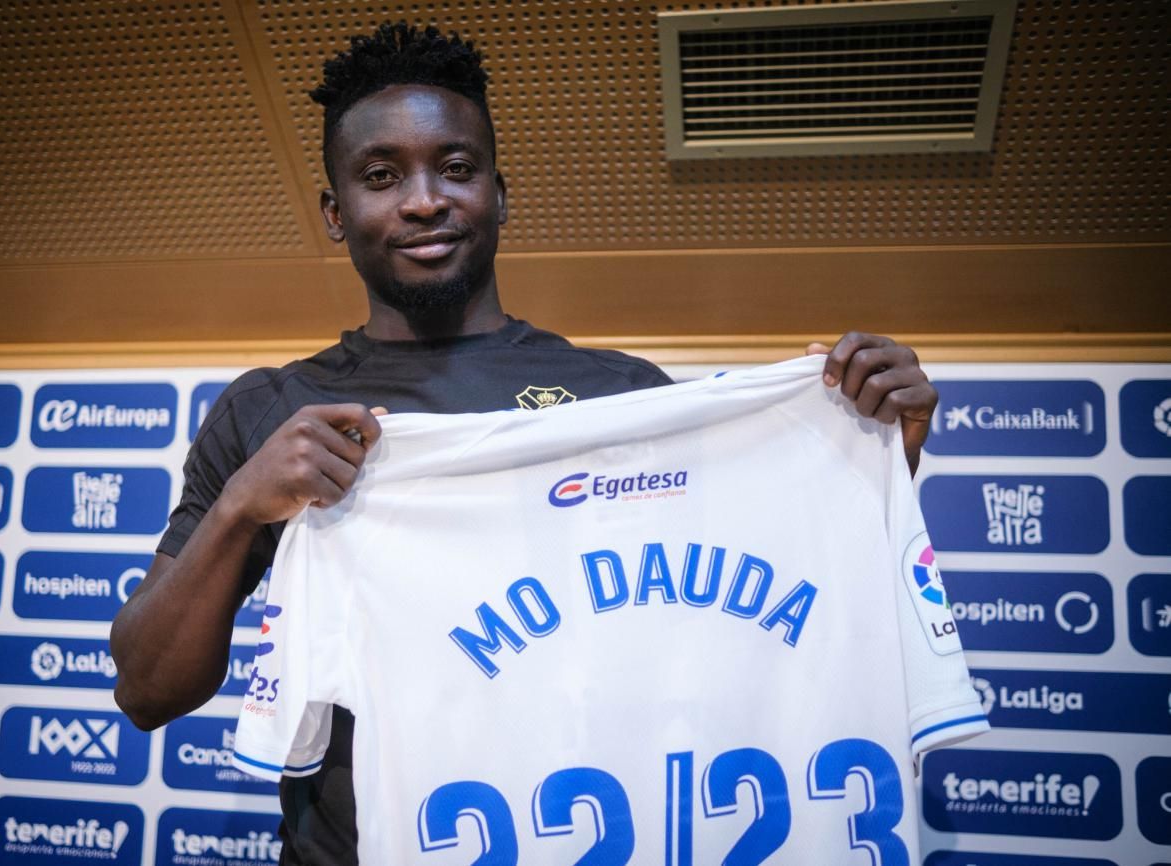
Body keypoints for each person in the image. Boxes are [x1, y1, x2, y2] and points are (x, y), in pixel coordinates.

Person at [110, 22, 938, 865]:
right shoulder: (271, 410)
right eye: (380, 176)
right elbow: (147, 690)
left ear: (500, 194)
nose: (425, 199)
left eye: (456, 169)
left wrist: (876, 450)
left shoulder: (622, 394)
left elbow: (764, 611)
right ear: (335, 211)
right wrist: (243, 507)